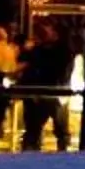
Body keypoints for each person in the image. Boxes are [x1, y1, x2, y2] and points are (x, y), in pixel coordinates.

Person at [16, 21, 73, 151]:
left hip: (45, 91)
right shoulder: (63, 51)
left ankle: (31, 149)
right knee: (59, 127)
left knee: (34, 127)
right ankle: (62, 150)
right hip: (56, 92)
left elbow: (33, 65)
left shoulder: (42, 51)